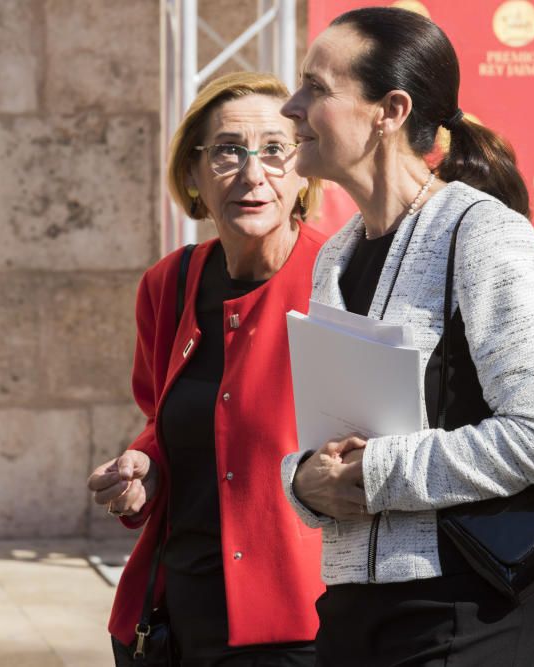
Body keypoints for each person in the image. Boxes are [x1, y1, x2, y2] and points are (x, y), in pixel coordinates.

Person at [279, 7, 534, 666]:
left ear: (390, 109)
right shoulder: (337, 254)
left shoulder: (483, 233)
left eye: (317, 88)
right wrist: (305, 480)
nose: (291, 107)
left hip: (466, 611)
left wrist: (378, 471)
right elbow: (335, 440)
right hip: (352, 611)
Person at [87, 71, 325, 666]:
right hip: (173, 615)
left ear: (304, 173)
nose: (252, 174)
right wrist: (144, 466)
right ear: (192, 175)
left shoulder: (343, 280)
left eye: (275, 149)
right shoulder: (167, 284)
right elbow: (162, 417)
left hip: (300, 626)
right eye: (227, 150)